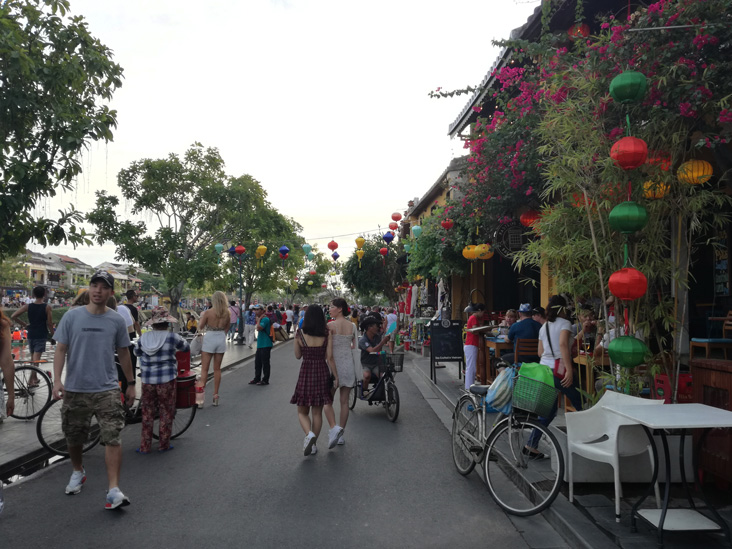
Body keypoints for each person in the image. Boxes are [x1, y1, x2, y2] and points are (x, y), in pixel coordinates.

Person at [52, 270, 135, 510]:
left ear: (110, 292)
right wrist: (57, 380)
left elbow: (123, 352)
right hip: (76, 388)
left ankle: (113, 490)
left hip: (107, 388)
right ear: (89, 289)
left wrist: (130, 383)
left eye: (103, 287)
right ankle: (78, 470)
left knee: (113, 436)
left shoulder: (116, 319)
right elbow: (60, 350)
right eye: (94, 285)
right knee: (73, 436)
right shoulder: (72, 317)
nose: (97, 290)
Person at [525, 295, 583, 458]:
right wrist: (569, 370)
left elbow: (540, 352)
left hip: (545, 371)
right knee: (580, 403)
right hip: (560, 371)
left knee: (548, 412)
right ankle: (586, 440)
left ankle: (531, 445)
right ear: (563, 309)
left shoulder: (544, 327)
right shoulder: (565, 324)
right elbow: (564, 344)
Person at [134, 306, 189, 453]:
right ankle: (163, 444)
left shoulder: (144, 338)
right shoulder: (172, 337)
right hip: (167, 380)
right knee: (166, 410)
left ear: (153, 323)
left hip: (148, 380)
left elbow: (136, 352)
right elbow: (186, 347)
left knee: (147, 412)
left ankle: (144, 446)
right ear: (168, 323)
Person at [291, 304, 340, 456]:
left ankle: (308, 434)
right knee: (317, 413)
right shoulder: (326, 334)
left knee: (302, 411)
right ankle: (313, 444)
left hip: (306, 372)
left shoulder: (300, 334)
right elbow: (330, 357)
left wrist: (297, 342)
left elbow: (298, 356)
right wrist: (336, 376)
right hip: (321, 371)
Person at [327, 298, 358, 446]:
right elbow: (355, 347)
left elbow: (328, 353)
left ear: (340, 309)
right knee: (344, 401)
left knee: (328, 400)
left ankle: (334, 428)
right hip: (348, 365)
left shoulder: (330, 326)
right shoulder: (352, 326)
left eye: (332, 307)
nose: (329, 309)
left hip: (334, 367)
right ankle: (341, 434)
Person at [10, 285, 54, 385]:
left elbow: (13, 316)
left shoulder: (28, 306)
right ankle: (31, 380)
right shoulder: (47, 307)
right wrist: (53, 336)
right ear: (44, 294)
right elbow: (50, 323)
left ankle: (35, 378)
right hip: (41, 334)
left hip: (31, 334)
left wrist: (25, 325)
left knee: (33, 358)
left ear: (33, 294)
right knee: (36, 359)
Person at [195, 291, 229, 407]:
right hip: (220, 337)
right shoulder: (227, 313)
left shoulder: (208, 312)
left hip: (210, 336)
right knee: (217, 369)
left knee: (204, 369)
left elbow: (201, 326)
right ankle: (215, 396)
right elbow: (227, 328)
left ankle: (200, 399)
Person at [358, 315, 391, 396]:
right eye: (376, 326)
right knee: (367, 376)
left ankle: (382, 393)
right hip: (364, 364)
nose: (378, 328)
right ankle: (365, 390)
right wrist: (383, 342)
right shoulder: (363, 340)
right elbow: (372, 351)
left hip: (376, 363)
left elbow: (378, 350)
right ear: (369, 327)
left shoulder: (377, 337)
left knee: (383, 376)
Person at [463, 303, 485, 390]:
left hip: (471, 344)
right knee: (471, 367)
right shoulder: (474, 318)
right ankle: (469, 387)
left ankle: (469, 386)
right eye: (482, 312)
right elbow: (475, 330)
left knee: (470, 367)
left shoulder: (472, 317)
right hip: (471, 344)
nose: (483, 314)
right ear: (479, 311)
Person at [250, 304, 273, 385]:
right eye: (255, 310)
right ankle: (257, 378)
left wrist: (259, 320)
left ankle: (265, 379)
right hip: (260, 344)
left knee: (265, 363)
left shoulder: (265, 319)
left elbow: (259, 328)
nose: (256, 311)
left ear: (263, 310)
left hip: (266, 344)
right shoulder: (262, 319)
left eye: (258, 309)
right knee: (258, 363)